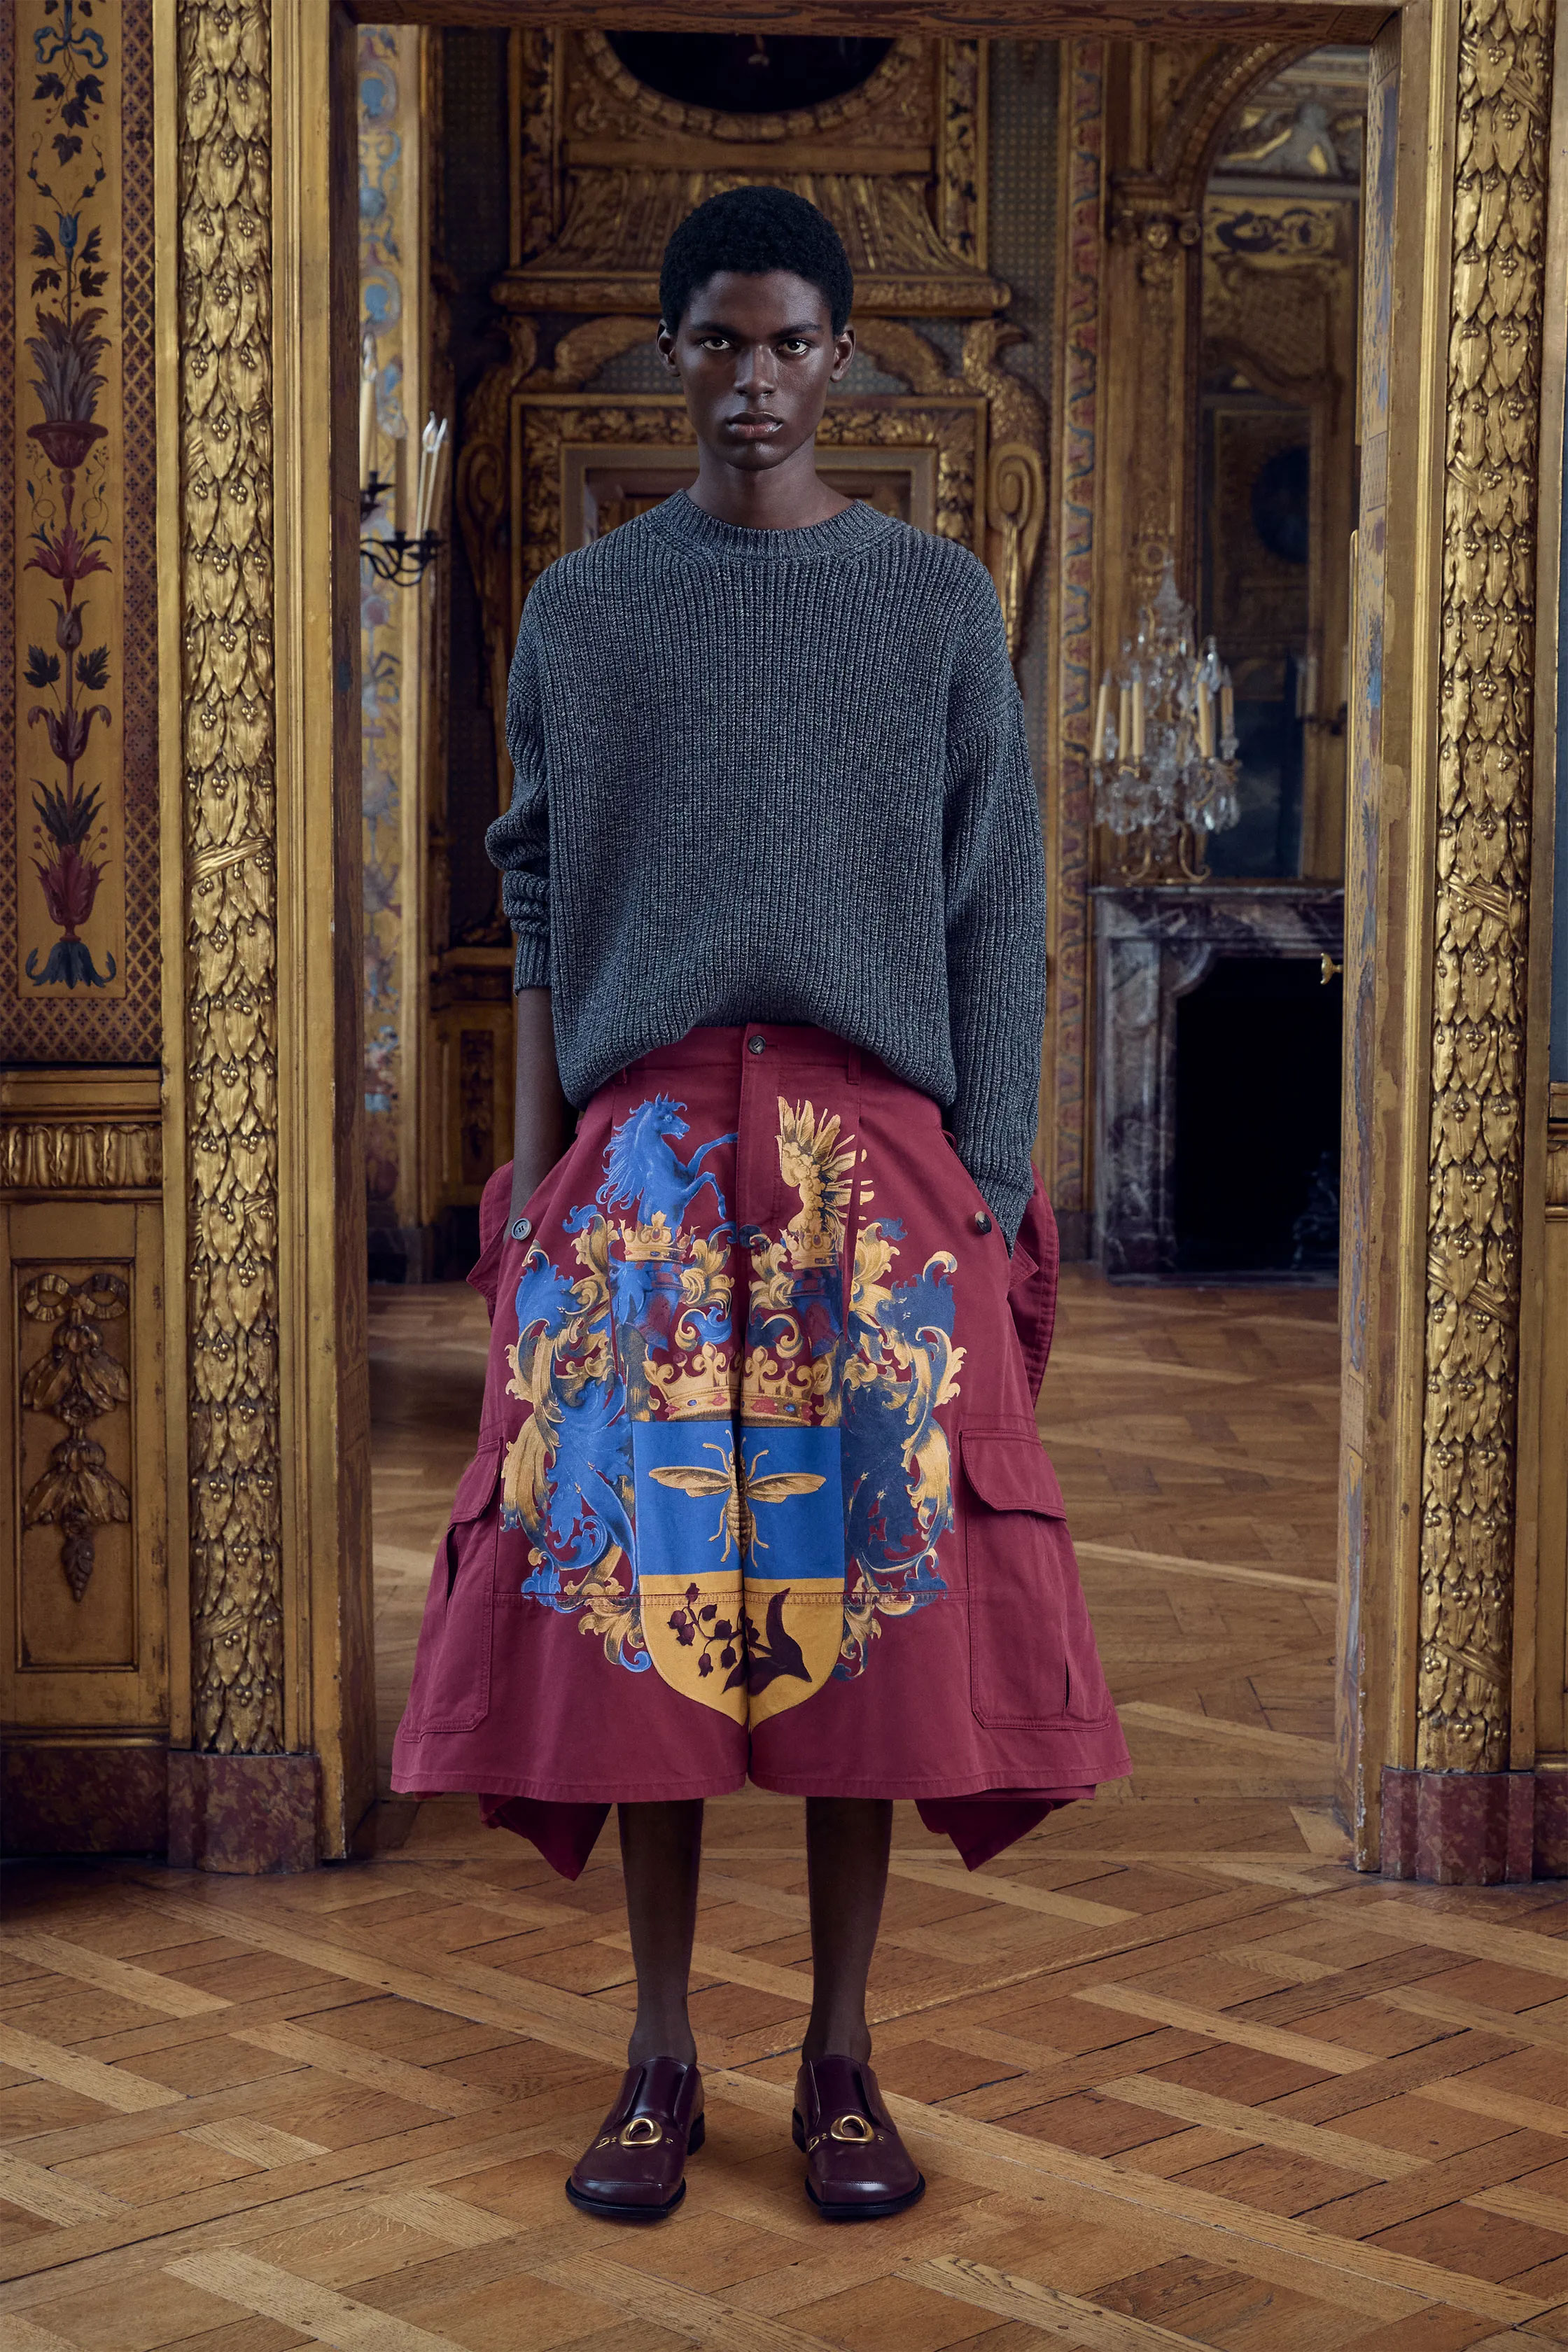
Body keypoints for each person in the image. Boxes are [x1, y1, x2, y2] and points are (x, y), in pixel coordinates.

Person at [393, 186, 1128, 2226]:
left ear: (840, 358)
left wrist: (992, 1190)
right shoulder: (583, 612)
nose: (752, 380)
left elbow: (993, 918)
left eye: (790, 342)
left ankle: (842, 2058)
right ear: (671, 352)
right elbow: (539, 917)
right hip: (637, 1181)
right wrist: (533, 1197)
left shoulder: (937, 606)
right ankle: (656, 2059)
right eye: (717, 341)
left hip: (871, 1186)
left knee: (858, 1621)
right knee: (649, 1627)